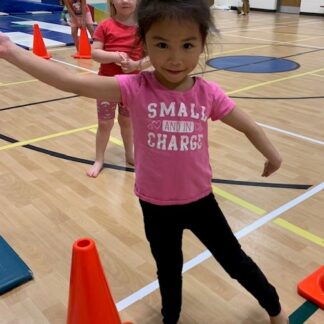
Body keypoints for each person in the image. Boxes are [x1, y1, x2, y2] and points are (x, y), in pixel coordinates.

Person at [0, 1, 288, 323]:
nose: (175, 58)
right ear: (146, 44)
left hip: (201, 202)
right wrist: (12, 51)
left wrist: (272, 154)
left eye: (187, 45)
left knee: (235, 261)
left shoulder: (207, 93)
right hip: (156, 206)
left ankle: (275, 308)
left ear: (202, 45)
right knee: (168, 270)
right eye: (162, 45)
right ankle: (170, 319)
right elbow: (72, 81)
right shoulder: (134, 88)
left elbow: (248, 124)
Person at [87, 0, 150, 178]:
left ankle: (130, 154)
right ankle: (99, 159)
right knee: (104, 123)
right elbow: (95, 53)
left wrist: (136, 64)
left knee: (127, 122)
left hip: (132, 86)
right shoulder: (105, 25)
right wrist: (114, 56)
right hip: (106, 85)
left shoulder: (143, 28)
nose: (124, 1)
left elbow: (152, 55)